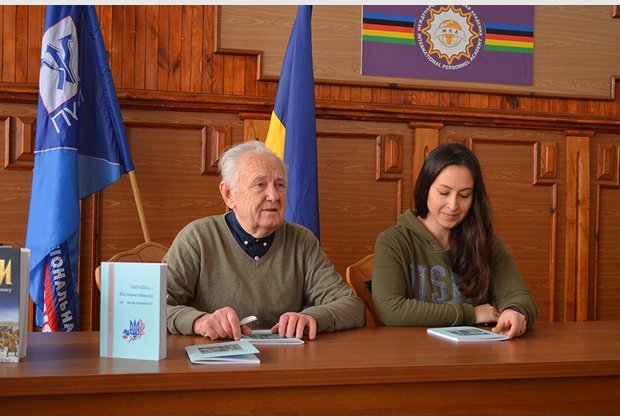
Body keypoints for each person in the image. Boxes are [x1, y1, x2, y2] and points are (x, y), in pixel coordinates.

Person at [164, 140, 364, 340]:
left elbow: (351, 306)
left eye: (279, 185)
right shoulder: (197, 238)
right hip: (214, 355)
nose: (274, 196)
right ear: (228, 194)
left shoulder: (301, 240)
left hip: (286, 357)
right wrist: (199, 321)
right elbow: (154, 306)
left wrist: (312, 317)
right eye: (260, 185)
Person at [372, 142, 537, 338]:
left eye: (464, 195)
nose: (453, 205)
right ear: (426, 188)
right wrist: (470, 314)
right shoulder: (393, 241)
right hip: (412, 351)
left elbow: (519, 296)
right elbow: (390, 310)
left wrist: (514, 310)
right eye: (444, 193)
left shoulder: (487, 242)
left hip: (475, 353)